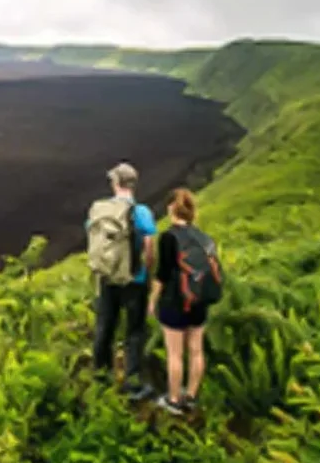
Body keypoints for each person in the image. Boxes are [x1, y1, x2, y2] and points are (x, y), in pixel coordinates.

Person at [85, 162, 158, 399]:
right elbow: (149, 245)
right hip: (134, 280)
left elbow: (92, 234)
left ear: (116, 183)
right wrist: (147, 271)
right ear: (133, 184)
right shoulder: (141, 212)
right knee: (134, 331)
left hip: (107, 276)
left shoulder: (100, 209)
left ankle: (100, 375)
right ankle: (132, 381)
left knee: (105, 325)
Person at [149, 187, 224, 414]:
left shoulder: (168, 237)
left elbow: (162, 274)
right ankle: (190, 397)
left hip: (175, 301)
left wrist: (152, 301)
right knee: (196, 350)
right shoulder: (203, 237)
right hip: (199, 301)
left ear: (172, 208)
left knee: (175, 353)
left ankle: (173, 400)